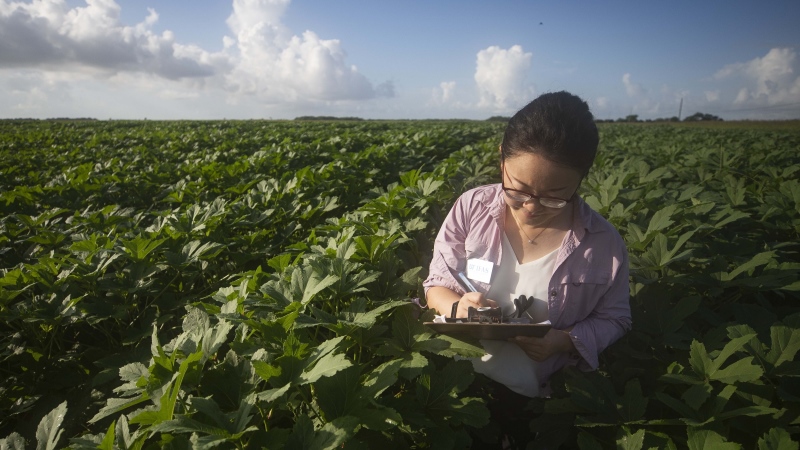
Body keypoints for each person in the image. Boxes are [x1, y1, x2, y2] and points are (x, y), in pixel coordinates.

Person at [423, 91, 631, 405]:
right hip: (457, 382)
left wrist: (564, 341)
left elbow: (616, 319)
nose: (531, 207)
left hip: (537, 396)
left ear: (581, 180)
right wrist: (457, 307)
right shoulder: (471, 207)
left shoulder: (603, 244)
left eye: (554, 196)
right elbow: (437, 284)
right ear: (501, 159)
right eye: (517, 190)